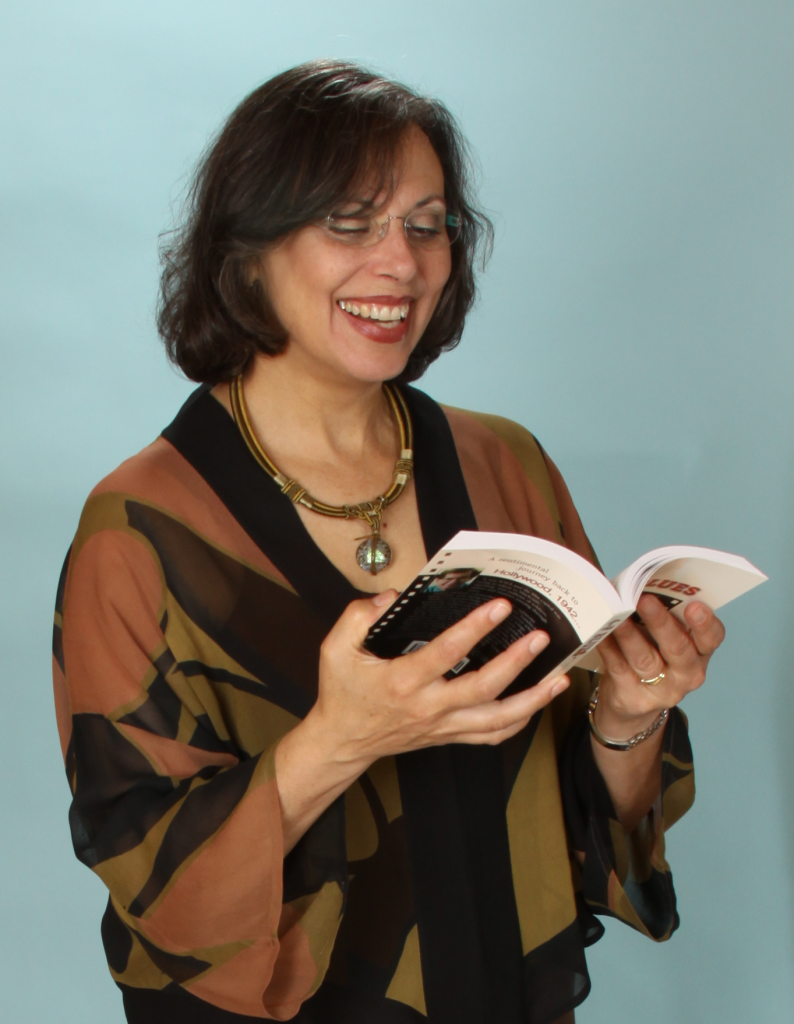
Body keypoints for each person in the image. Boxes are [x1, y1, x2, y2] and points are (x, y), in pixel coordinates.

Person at [52, 60, 726, 1024]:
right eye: (349, 223)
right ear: (248, 247)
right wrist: (339, 741)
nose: (401, 263)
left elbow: (587, 817)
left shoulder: (505, 465)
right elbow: (154, 886)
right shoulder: (141, 529)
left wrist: (631, 710)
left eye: (426, 223)